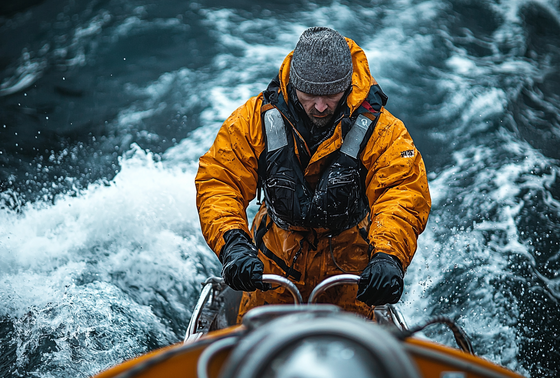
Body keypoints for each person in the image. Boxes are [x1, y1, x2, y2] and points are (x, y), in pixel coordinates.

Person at [195, 27, 431, 321]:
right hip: (271, 271)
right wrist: (233, 243)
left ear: (347, 86)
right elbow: (220, 180)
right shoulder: (251, 120)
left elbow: (401, 191)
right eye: (310, 95)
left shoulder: (385, 132)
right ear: (294, 85)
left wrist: (388, 256)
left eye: (331, 95)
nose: (320, 106)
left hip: (348, 278)